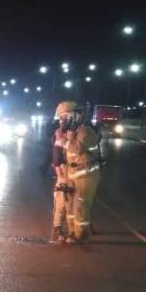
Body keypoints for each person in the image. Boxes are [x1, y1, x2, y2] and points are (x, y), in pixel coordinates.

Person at [57, 100, 103, 243]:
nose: (62, 120)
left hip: (87, 175)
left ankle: (81, 235)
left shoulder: (85, 130)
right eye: (61, 118)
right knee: (70, 205)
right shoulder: (72, 131)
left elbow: (77, 149)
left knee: (81, 205)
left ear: (74, 116)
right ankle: (72, 232)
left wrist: (63, 141)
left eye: (65, 117)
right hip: (73, 173)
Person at [49, 115, 70, 243]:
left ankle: (68, 229)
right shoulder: (60, 135)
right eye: (63, 121)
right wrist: (59, 172)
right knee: (61, 200)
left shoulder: (68, 133)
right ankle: (57, 229)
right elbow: (56, 157)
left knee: (69, 202)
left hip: (70, 171)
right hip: (63, 170)